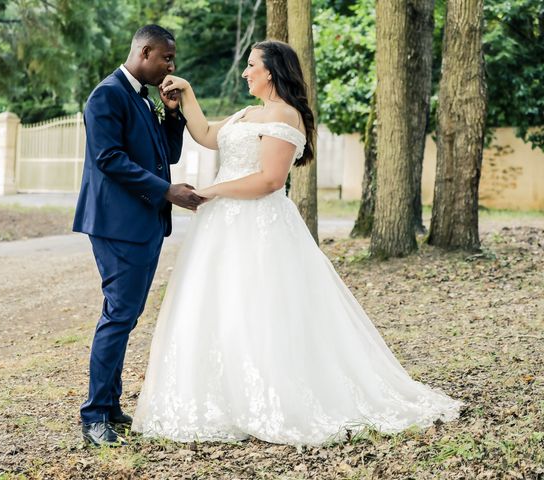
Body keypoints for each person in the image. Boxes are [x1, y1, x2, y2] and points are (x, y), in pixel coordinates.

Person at [131, 40, 462, 446]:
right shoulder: (248, 113)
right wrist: (187, 95)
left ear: (271, 71)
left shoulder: (285, 116)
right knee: (219, 304)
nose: (244, 72)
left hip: (259, 225)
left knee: (262, 306)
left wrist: (214, 191)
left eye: (251, 65)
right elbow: (206, 134)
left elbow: (270, 180)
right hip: (221, 228)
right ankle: (224, 397)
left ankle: (272, 397)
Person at [72, 24, 204, 447]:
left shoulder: (142, 98)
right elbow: (108, 159)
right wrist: (167, 190)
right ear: (145, 52)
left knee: (125, 316)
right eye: (166, 58)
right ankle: (94, 415)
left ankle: (110, 405)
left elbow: (169, 154)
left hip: (143, 222)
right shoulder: (107, 95)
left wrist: (169, 113)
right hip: (118, 225)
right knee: (118, 315)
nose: (171, 66)